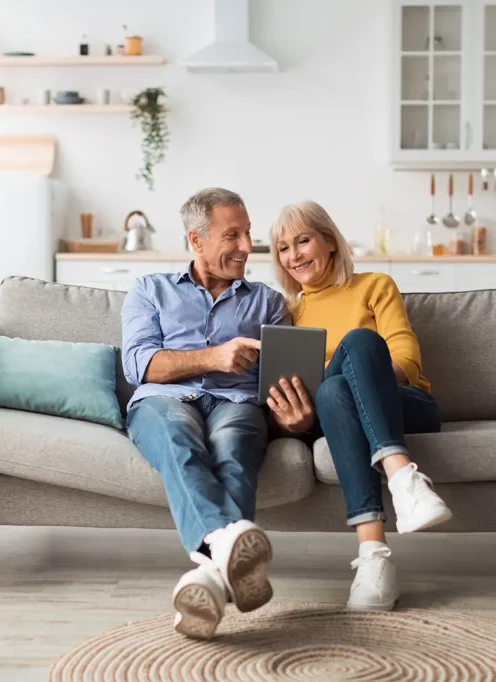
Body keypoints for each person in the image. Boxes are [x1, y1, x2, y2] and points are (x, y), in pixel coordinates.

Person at [264, 200, 452, 612]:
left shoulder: (374, 285)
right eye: (282, 248)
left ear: (329, 242)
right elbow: (298, 392)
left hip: (406, 405)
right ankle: (376, 556)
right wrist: (297, 415)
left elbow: (406, 362)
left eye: (303, 240)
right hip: (332, 415)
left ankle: (401, 484)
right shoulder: (287, 314)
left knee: (361, 343)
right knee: (332, 394)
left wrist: (350, 367)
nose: (293, 255)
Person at [121, 188, 289, 640]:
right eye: (231, 235)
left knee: (235, 447)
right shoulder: (149, 290)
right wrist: (215, 357)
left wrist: (296, 411)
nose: (245, 246)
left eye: (248, 233)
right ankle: (224, 540)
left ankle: (207, 579)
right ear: (196, 240)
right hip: (164, 400)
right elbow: (139, 365)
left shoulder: (268, 303)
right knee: (179, 442)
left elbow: (285, 378)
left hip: (237, 403)